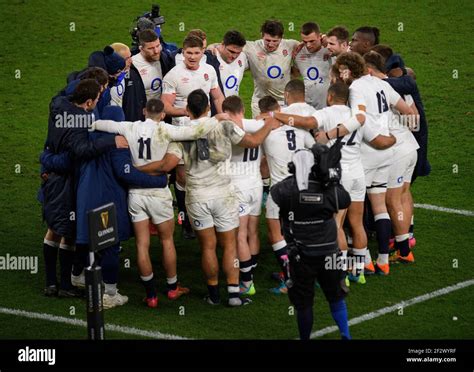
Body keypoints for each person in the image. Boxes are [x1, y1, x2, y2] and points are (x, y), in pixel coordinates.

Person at [138, 89, 279, 306]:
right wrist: (269, 124)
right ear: (208, 108)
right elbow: (252, 142)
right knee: (230, 244)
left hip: (197, 196)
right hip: (223, 194)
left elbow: (169, 167)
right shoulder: (223, 126)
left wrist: (139, 168)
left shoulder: (181, 133)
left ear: (186, 111)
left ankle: (213, 295)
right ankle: (233, 295)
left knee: (208, 247)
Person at [93, 98, 219, 307]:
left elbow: (104, 124)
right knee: (167, 241)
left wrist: (89, 123)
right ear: (162, 115)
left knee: (142, 244)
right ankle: (172, 288)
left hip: (136, 194)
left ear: (144, 111)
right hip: (159, 193)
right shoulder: (166, 130)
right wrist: (217, 118)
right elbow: (194, 133)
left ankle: (151, 295)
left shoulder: (129, 127)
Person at [41, 79, 128, 297]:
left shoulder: (59, 105)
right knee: (62, 229)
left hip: (56, 180)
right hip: (63, 181)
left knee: (60, 229)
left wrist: (46, 156)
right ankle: (58, 284)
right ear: (89, 102)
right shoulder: (79, 123)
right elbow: (80, 151)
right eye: (97, 98)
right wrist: (111, 142)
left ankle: (61, 282)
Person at [271, 144, 352, 340]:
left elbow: (274, 197)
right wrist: (331, 179)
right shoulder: (330, 191)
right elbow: (345, 200)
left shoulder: (286, 189)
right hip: (329, 253)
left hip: (301, 256)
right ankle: (345, 335)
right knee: (336, 297)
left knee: (304, 304)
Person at [257, 81, 316, 294]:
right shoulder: (299, 129)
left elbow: (260, 162)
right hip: (303, 187)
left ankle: (289, 278)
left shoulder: (265, 132)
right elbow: (318, 149)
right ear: (280, 110)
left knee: (276, 233)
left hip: (280, 190)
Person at [364, 51, 419, 263]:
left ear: (369, 71)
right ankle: (404, 243)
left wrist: (392, 132)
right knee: (404, 194)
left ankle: (404, 250)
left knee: (391, 200)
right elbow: (414, 119)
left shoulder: (374, 89)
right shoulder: (397, 87)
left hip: (396, 151)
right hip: (410, 148)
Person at [222, 96, 264, 295]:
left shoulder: (228, 127)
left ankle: (247, 281)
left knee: (240, 236)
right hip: (256, 184)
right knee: (253, 231)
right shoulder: (258, 126)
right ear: (243, 109)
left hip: (238, 186)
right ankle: (252, 267)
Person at [243, 19, 299, 117]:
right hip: (260, 102)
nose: (270, 44)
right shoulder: (252, 47)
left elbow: (309, 46)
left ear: (281, 38)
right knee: (260, 131)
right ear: (262, 35)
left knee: (282, 131)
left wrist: (323, 37)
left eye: (275, 41)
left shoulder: (290, 45)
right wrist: (212, 47)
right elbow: (226, 45)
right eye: (267, 40)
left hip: (283, 102)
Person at [293, 22, 332, 109]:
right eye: (305, 41)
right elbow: (295, 74)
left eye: (312, 41)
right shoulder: (298, 53)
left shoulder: (330, 51)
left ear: (320, 36)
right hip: (307, 106)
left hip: (328, 106)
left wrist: (326, 38)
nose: (308, 45)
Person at [131, 29, 175, 102]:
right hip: (143, 110)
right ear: (141, 48)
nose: (156, 51)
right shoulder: (133, 65)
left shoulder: (164, 59)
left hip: (161, 109)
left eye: (158, 46)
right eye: (151, 48)